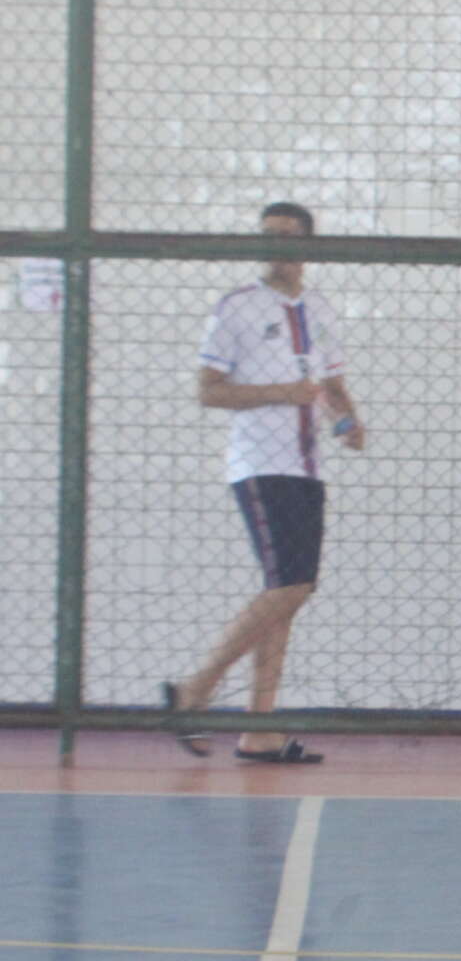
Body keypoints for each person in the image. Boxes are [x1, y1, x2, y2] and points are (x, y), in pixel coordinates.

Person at [165, 200, 363, 765]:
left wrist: (348, 421)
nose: (274, 245)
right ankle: (196, 689)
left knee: (288, 594)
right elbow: (209, 390)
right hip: (260, 464)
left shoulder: (320, 308)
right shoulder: (238, 307)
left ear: (307, 245)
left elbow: (332, 386)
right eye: (267, 235)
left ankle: (260, 728)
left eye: (286, 235)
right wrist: (281, 393)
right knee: (291, 586)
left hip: (306, 466)